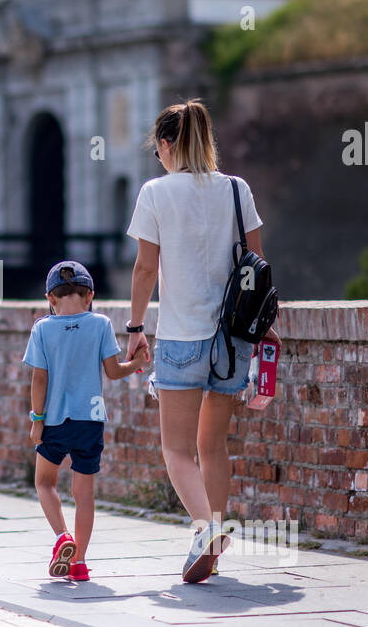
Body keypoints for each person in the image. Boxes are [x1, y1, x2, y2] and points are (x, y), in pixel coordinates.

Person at [123, 99, 278, 583]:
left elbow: (147, 267)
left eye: (158, 151)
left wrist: (133, 329)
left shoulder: (155, 193)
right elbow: (257, 264)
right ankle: (211, 539)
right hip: (232, 340)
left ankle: (206, 528)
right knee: (212, 447)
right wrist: (265, 325)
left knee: (175, 450)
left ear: (167, 145)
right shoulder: (237, 189)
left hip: (181, 336)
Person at [23, 260, 149, 580]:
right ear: (90, 295)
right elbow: (113, 371)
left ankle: (62, 537)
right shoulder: (101, 324)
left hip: (54, 421)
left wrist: (37, 419)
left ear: (50, 298)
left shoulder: (42, 328)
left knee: (44, 482)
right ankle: (79, 562)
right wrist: (135, 363)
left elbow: (39, 379)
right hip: (90, 421)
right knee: (84, 494)